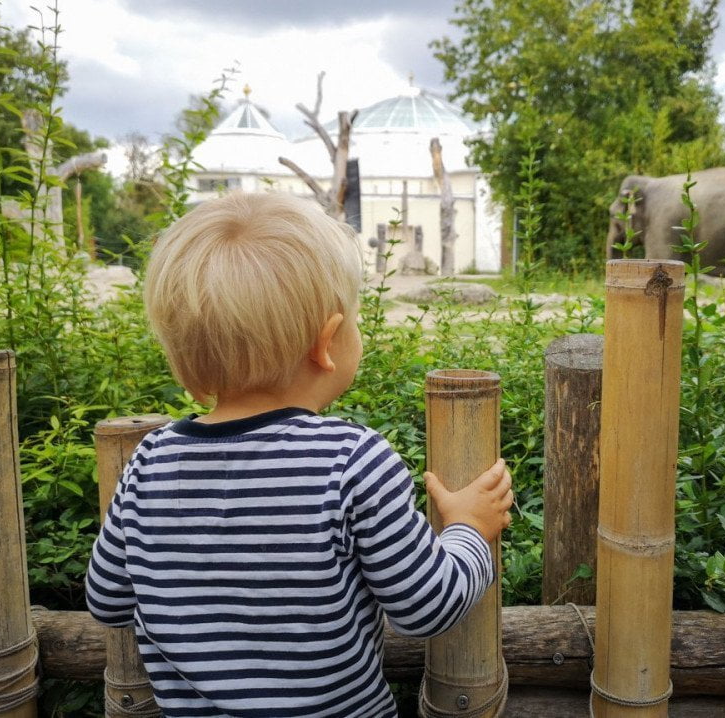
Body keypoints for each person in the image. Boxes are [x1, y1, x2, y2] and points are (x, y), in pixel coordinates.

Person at [86, 192, 513, 717]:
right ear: (327, 342)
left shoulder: (149, 463)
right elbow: (425, 608)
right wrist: (469, 529)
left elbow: (106, 598)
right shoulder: (351, 461)